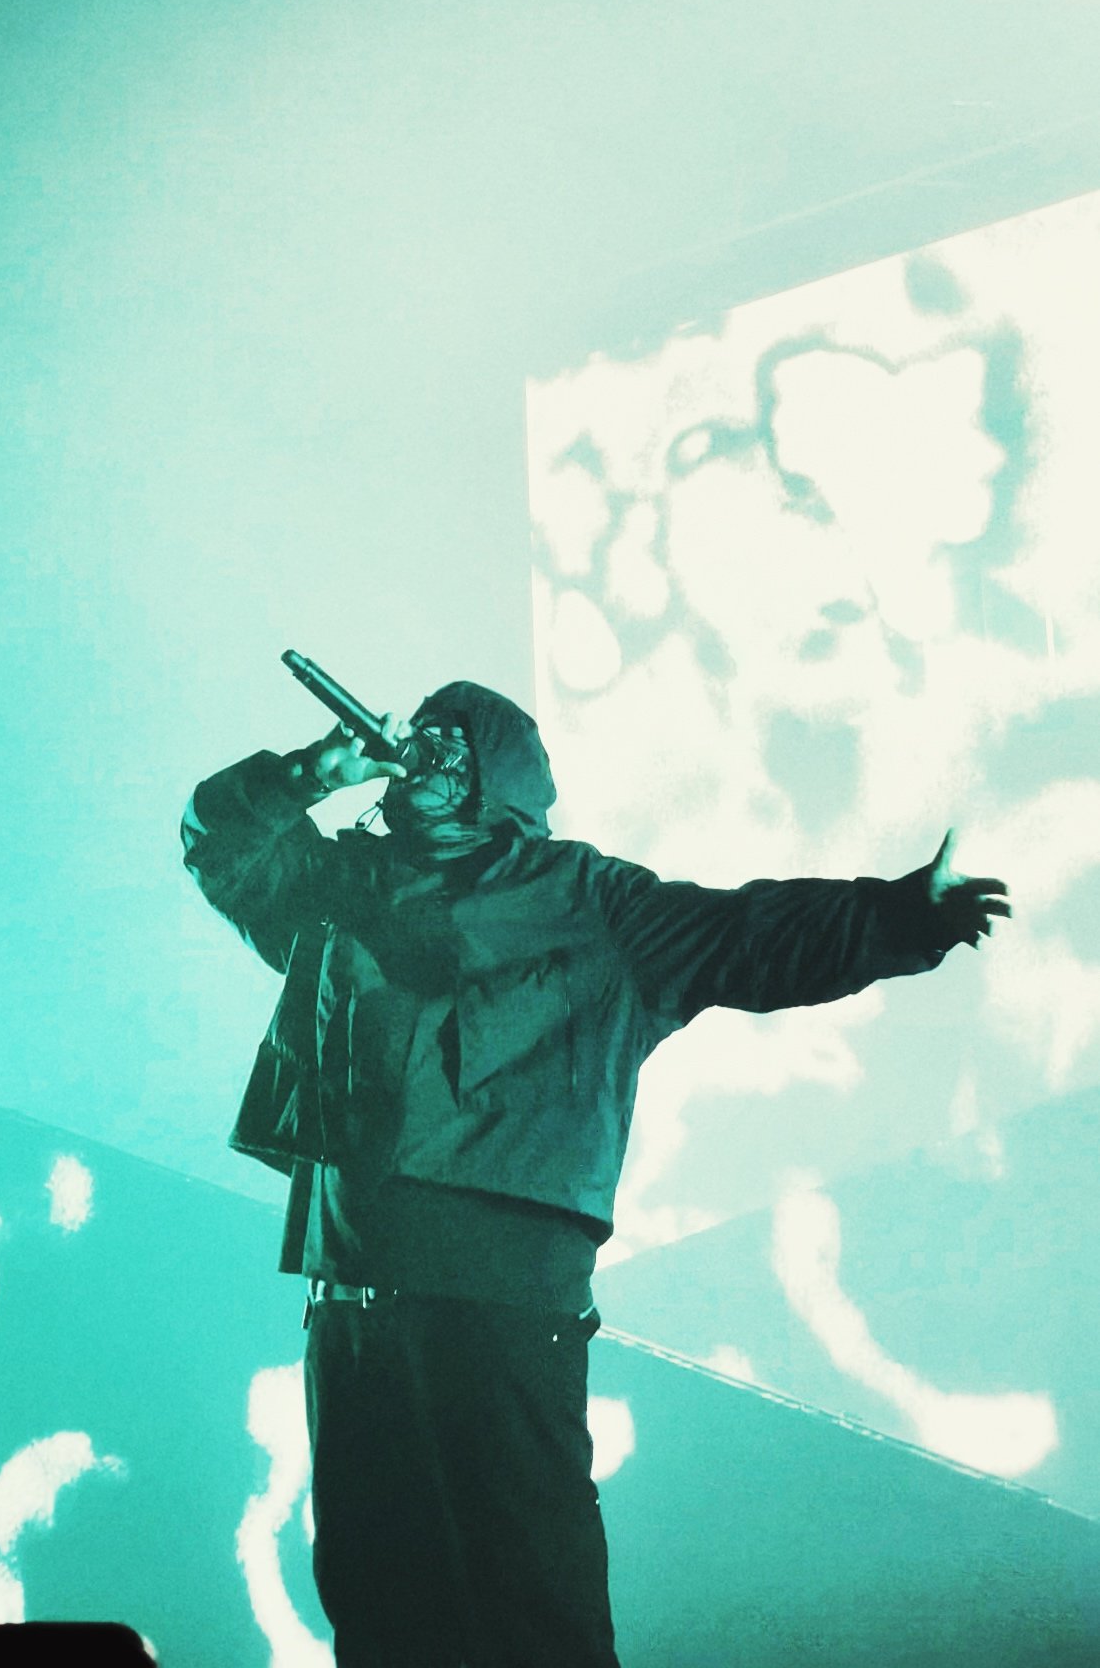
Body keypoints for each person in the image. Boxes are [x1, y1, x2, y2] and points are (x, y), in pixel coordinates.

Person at [180, 678, 1011, 1668]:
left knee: (532, 1601)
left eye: (452, 742)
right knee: (378, 1599)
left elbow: (746, 933)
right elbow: (218, 846)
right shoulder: (345, 882)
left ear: (495, 777)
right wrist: (313, 773)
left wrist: (904, 912)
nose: (423, 751)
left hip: (501, 1296)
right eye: (420, 736)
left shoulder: (587, 897)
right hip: (351, 1299)